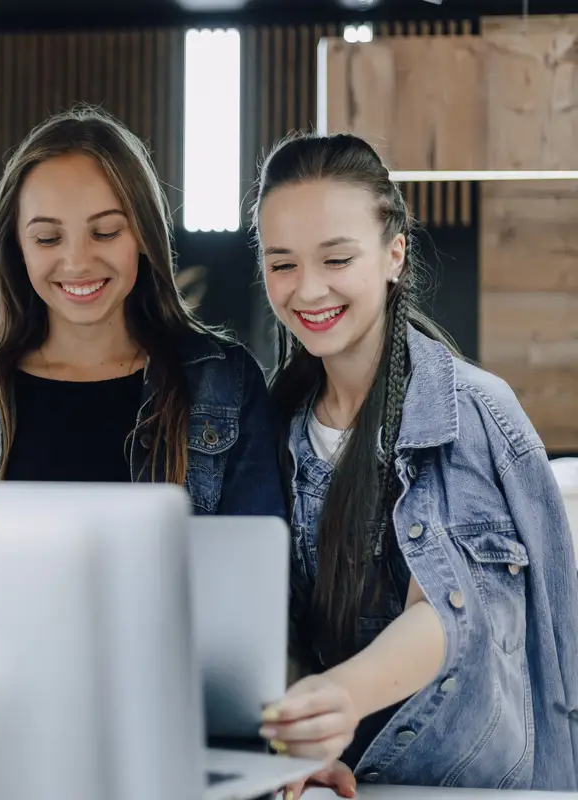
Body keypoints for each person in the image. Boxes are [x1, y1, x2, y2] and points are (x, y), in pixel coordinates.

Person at [251, 131, 578, 798]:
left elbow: (457, 606)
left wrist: (339, 696)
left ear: (394, 253)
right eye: (281, 264)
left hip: (456, 782)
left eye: (336, 258)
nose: (307, 289)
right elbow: (264, 614)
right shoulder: (274, 423)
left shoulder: (468, 412)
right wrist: (302, 735)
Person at [0, 106, 282, 516]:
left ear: (142, 233)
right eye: (48, 238)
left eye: (105, 232)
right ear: (18, 248)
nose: (78, 262)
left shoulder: (225, 382)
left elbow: (254, 565)